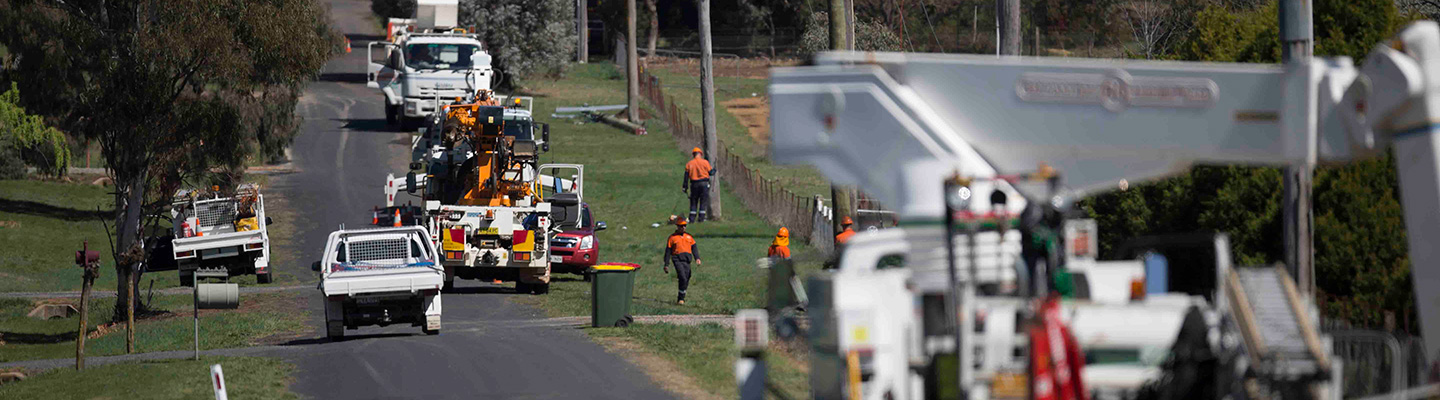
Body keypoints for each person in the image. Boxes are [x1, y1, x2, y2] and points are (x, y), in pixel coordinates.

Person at [663, 219, 701, 305]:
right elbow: (668, 251)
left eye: (684, 226)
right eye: (681, 226)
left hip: (687, 260)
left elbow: (694, 248)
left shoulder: (689, 237)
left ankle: (682, 296)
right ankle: (680, 299)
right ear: (677, 226)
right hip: (677, 259)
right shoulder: (672, 238)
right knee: (682, 277)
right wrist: (666, 264)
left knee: (687, 277)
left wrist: (697, 258)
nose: (683, 228)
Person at [682, 147, 714, 222]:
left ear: (693, 154)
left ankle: (692, 218)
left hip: (694, 185)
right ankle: (701, 218)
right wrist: (714, 170)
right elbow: (711, 172)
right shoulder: (705, 162)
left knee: (693, 201)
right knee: (703, 201)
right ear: (700, 154)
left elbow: (686, 177)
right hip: (704, 184)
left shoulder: (689, 164)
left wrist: (685, 187)